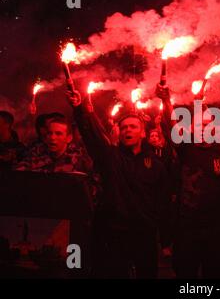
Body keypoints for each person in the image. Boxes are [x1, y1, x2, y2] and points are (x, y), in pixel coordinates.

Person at [66, 90, 171, 279]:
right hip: (113, 233)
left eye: (132, 127)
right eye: (123, 128)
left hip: (144, 234)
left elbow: (162, 202)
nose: (127, 130)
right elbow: (93, 137)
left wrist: (165, 240)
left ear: (143, 133)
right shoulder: (111, 157)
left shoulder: (156, 164)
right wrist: (79, 109)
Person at [156, 84, 220, 279]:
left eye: (207, 123)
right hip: (187, 228)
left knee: (215, 274)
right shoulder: (185, 149)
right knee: (185, 272)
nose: (204, 126)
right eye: (200, 124)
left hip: (217, 229)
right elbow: (171, 124)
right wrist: (165, 101)